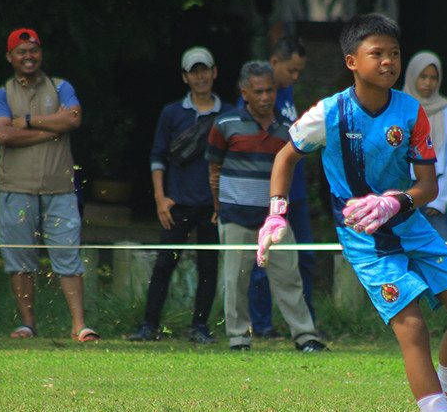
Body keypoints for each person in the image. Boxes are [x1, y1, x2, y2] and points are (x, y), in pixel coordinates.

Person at [257, 13, 447, 412]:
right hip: (364, 237)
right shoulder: (327, 113)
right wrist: (276, 214)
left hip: (409, 224)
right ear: (351, 61)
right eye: (376, 54)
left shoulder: (411, 111)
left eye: (394, 53)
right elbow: (286, 157)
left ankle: (440, 409)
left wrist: (395, 202)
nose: (388, 62)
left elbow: (429, 186)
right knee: (413, 325)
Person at [206, 61, 326, 353]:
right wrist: (218, 208)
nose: (264, 97)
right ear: (244, 92)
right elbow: (214, 170)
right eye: (258, 91)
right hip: (234, 217)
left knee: (289, 278)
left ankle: (305, 337)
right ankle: (238, 339)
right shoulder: (224, 124)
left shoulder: (288, 130)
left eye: (269, 90)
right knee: (234, 282)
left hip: (274, 221)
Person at [0, 28, 99, 341]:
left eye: (33, 50)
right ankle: (28, 324)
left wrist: (25, 121)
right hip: (16, 188)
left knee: (68, 256)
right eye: (21, 51)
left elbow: (72, 119)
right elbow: (3, 134)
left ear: (41, 54)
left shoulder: (61, 87)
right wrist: (50, 129)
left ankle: (79, 325)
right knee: (19, 259)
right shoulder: (1, 95)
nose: (28, 57)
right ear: (10, 57)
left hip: (59, 189)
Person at [127, 47, 232, 344]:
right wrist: (160, 198)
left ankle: (199, 326)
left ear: (214, 72)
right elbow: (157, 157)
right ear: (185, 77)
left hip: (212, 206)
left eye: (205, 69)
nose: (200, 76)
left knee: (209, 267)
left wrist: (223, 202)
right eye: (194, 71)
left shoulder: (229, 114)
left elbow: (233, 161)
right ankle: (149, 324)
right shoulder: (172, 113)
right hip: (177, 203)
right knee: (164, 264)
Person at [245, 36, 318, 339]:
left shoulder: (285, 92)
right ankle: (261, 325)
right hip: (270, 194)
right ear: (275, 62)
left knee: (306, 256)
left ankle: (307, 324)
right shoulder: (254, 99)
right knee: (265, 258)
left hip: (297, 192)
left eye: (300, 71)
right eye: (292, 70)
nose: (295, 77)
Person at [401, 51, 447, 240]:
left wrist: (440, 201)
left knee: (441, 253)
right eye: (423, 76)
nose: (428, 83)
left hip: (434, 191)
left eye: (433, 78)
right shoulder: (400, 107)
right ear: (412, 75)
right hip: (402, 190)